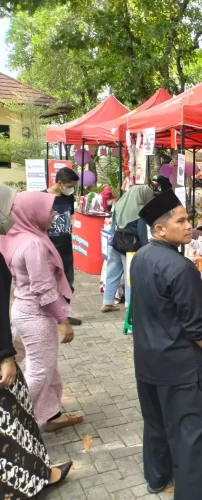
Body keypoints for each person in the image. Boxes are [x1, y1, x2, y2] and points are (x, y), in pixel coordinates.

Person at [130, 190, 202, 500]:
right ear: (160, 229)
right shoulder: (180, 268)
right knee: (193, 429)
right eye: (181, 220)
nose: (189, 225)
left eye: (188, 219)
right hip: (180, 365)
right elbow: (196, 326)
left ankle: (158, 477)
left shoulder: (142, 256)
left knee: (157, 422)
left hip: (148, 358)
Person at [0, 184, 74, 497]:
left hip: (21, 309)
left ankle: (49, 412)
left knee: (48, 367)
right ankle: (25, 420)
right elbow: (45, 289)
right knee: (40, 371)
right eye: (48, 209)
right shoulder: (31, 243)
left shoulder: (16, 235)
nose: (54, 214)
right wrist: (63, 320)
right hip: (35, 314)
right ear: (33, 212)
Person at [101, 185, 154, 312]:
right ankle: (129, 306)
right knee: (130, 277)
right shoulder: (140, 211)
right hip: (131, 246)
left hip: (116, 242)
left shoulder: (119, 204)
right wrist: (146, 249)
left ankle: (107, 302)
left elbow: (113, 227)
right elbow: (142, 234)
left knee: (112, 273)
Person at [46, 167, 82, 326]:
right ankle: (49, 314)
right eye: (69, 186)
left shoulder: (68, 198)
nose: (71, 189)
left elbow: (70, 218)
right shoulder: (43, 197)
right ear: (60, 183)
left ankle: (64, 315)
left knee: (67, 281)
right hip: (48, 246)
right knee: (48, 281)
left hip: (66, 246)